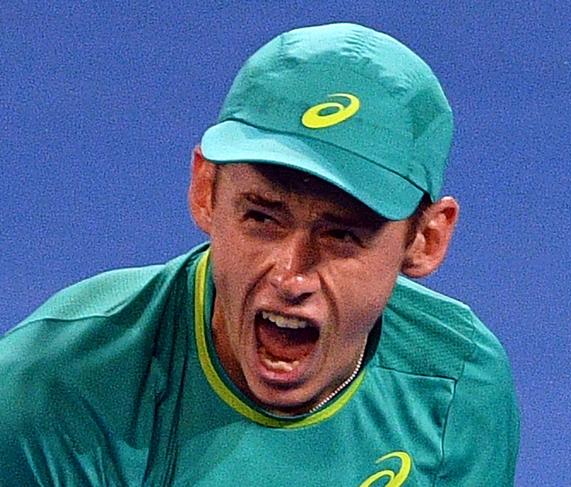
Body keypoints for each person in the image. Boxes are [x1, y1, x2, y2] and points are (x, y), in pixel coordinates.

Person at [0, 22, 519, 486]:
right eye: (262, 217)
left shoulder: (459, 388)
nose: (291, 276)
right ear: (206, 191)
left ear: (425, 240)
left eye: (342, 235)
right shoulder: (56, 393)